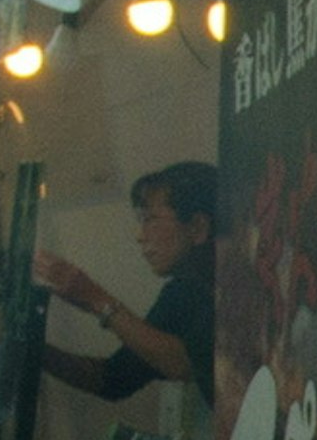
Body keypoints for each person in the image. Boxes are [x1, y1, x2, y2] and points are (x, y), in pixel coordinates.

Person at [37, 160, 217, 411]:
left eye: (150, 219)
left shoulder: (241, 288)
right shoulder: (182, 293)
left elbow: (187, 365)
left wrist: (97, 300)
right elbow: (113, 379)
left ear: (198, 227)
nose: (140, 235)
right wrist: (30, 348)